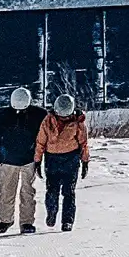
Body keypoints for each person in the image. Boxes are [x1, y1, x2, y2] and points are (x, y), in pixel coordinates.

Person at [0, 87, 42, 234]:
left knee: (28, 192)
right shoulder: (3, 115)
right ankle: (6, 220)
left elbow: (44, 137)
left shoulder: (39, 115)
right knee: (6, 191)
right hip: (7, 160)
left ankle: (26, 223)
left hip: (29, 160)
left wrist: (41, 157)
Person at [36, 93, 91, 233]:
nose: (64, 118)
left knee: (69, 192)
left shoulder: (79, 123)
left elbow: (83, 143)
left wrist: (85, 161)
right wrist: (37, 160)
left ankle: (67, 221)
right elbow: (40, 141)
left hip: (71, 160)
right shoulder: (47, 121)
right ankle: (52, 213)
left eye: (66, 116)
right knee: (52, 191)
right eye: (62, 116)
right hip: (52, 159)